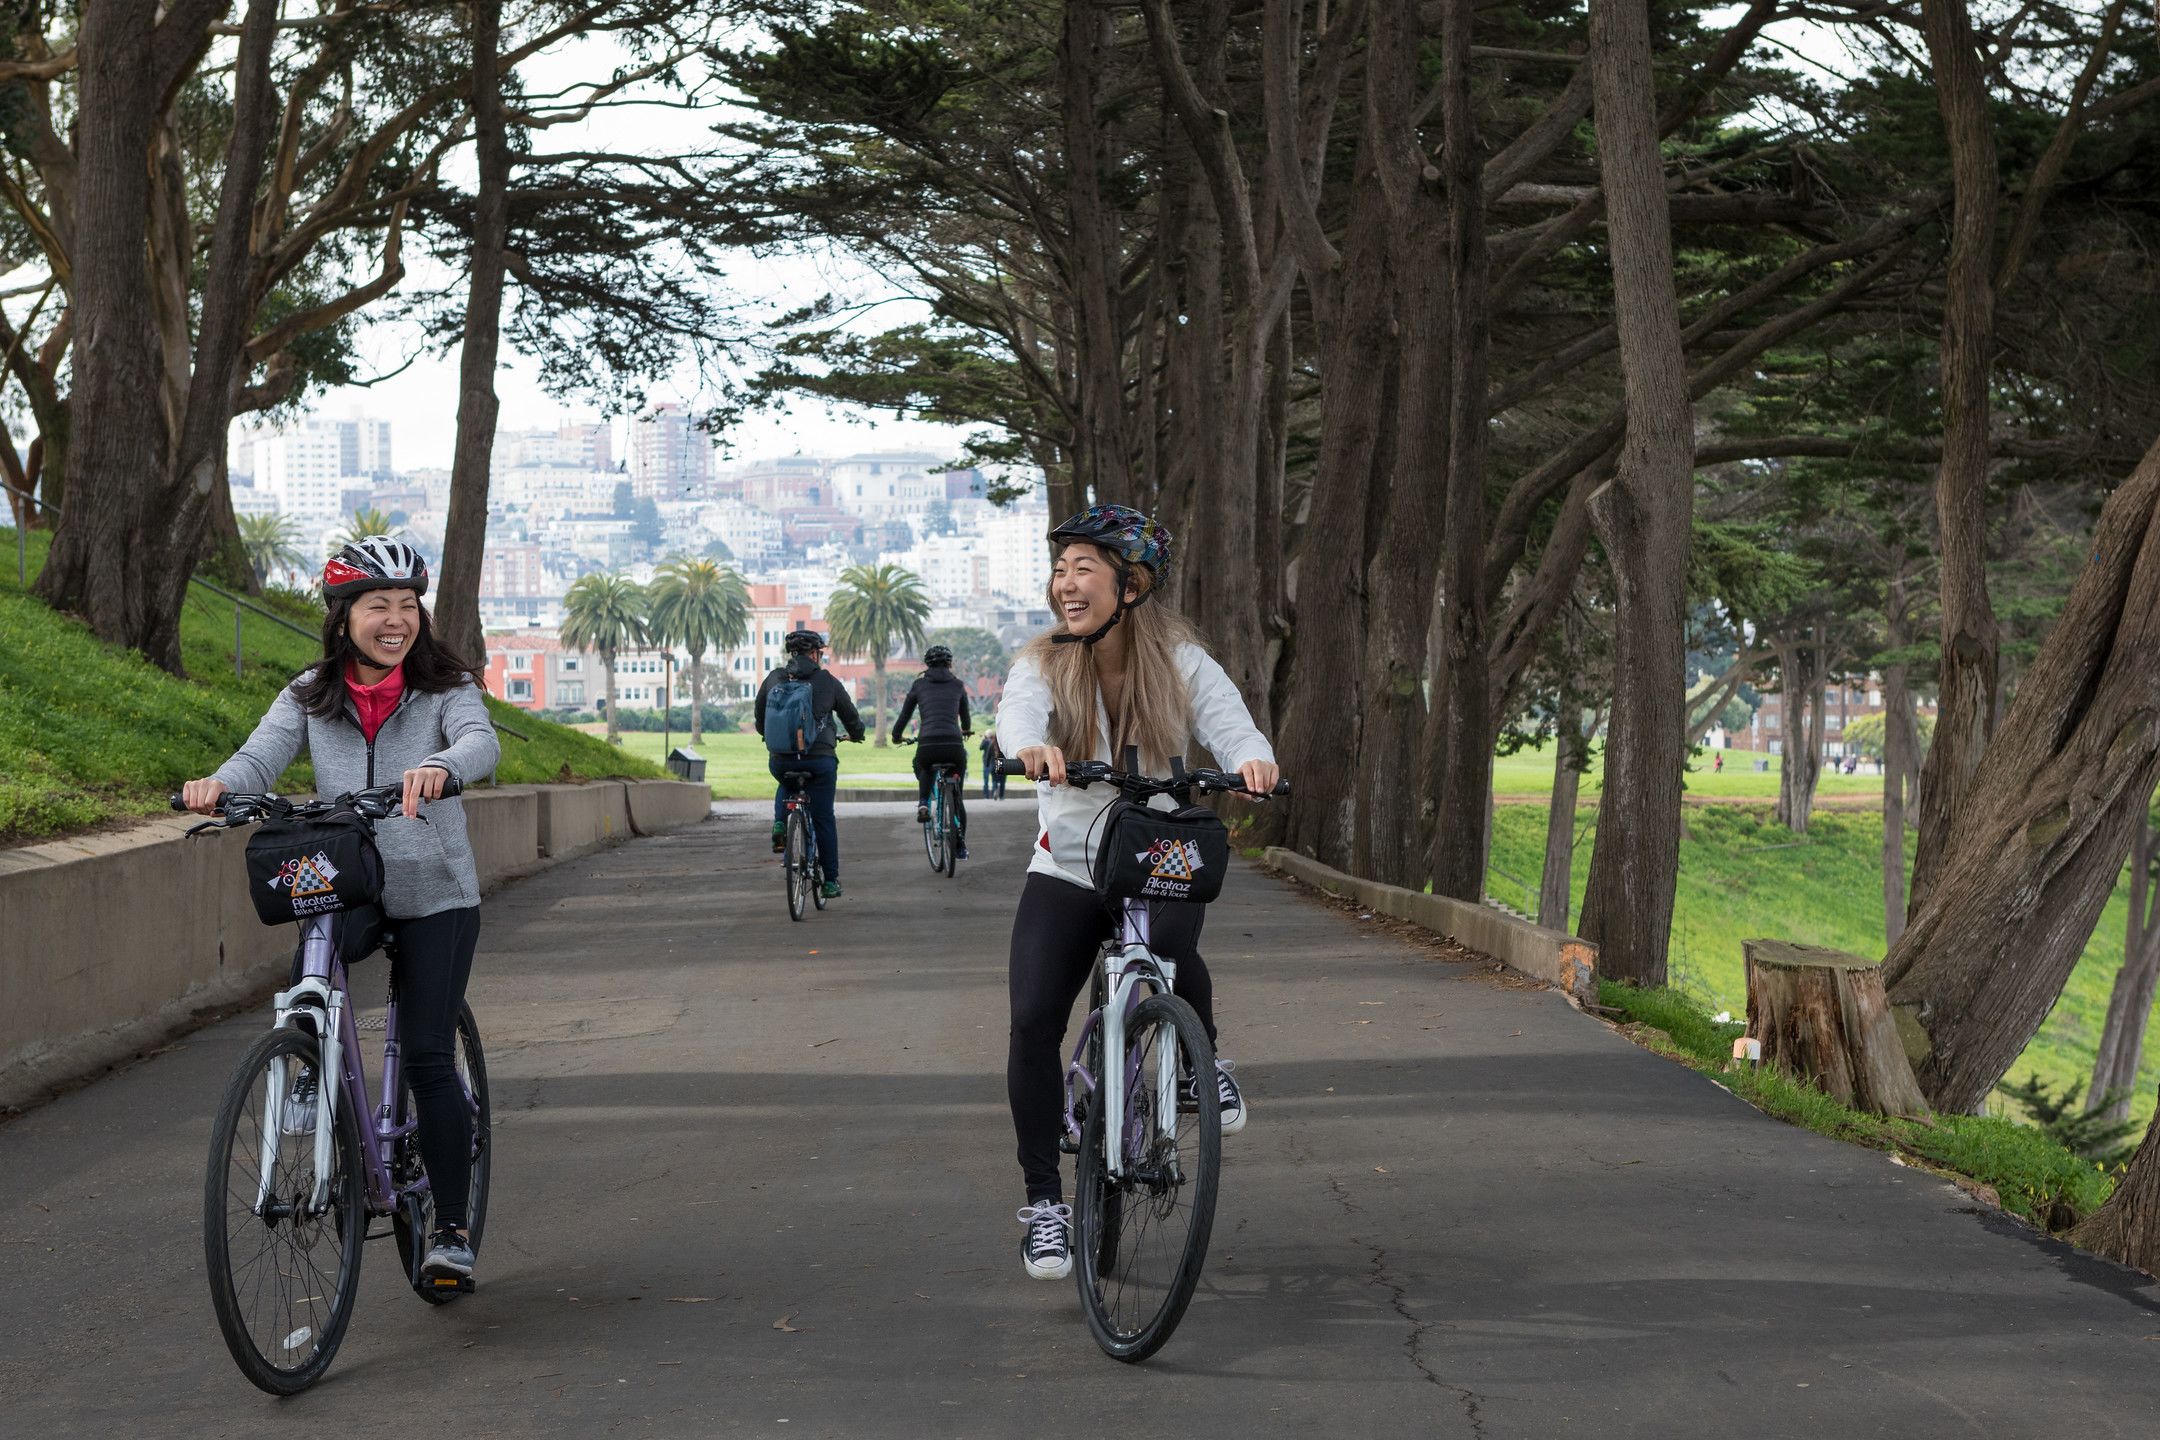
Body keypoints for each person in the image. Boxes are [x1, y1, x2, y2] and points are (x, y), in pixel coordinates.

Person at [181, 537, 499, 1287]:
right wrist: (219, 785)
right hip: (349, 875)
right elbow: (260, 756)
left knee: (425, 1053)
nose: (395, 620)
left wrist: (442, 766)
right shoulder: (309, 693)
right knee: (312, 976)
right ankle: (306, 1061)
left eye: (406, 605)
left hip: (435, 891)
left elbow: (480, 743)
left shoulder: (446, 686)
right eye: (377, 606)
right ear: (343, 615)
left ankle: (449, 1233)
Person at [997, 504, 1280, 1281]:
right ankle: (1047, 1207)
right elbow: (1017, 712)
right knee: (1031, 1021)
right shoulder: (1045, 662)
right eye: (1060, 570)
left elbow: (1233, 725)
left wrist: (1254, 762)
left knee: (1176, 950)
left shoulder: (1180, 660)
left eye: (1084, 568)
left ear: (1132, 584)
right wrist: (1028, 745)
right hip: (1068, 864)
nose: (1066, 584)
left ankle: (1198, 1061)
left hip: (1155, 849)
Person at [754, 629, 866, 899]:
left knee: (786, 779)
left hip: (781, 759)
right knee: (824, 817)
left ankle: (780, 823)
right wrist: (857, 733)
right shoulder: (827, 680)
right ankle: (830, 881)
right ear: (815, 654)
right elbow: (850, 715)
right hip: (820, 759)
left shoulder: (774, 678)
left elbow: (760, 719)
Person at [892, 643, 973, 860]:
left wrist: (896, 736)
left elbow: (904, 716)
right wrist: (965, 729)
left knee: (924, 765)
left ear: (927, 664)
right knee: (958, 799)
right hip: (953, 745)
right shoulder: (957, 685)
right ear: (950, 664)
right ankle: (961, 846)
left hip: (928, 743)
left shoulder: (919, 685)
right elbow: (965, 717)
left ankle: (923, 803)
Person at [980, 730, 1006, 800]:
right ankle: (1001, 796)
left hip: (993, 765)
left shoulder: (991, 744)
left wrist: (987, 764)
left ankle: (995, 790)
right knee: (1002, 781)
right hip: (1002, 765)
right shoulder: (1003, 745)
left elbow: (988, 755)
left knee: (994, 780)